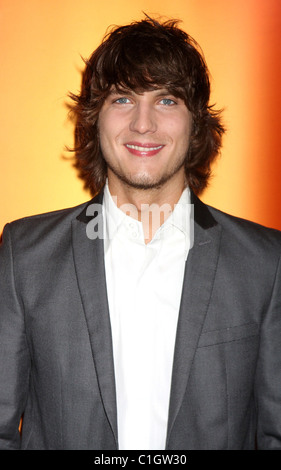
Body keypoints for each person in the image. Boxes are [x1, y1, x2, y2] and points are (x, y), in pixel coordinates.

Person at [0, 15, 281, 451]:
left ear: (197, 124)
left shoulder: (265, 262)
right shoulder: (24, 256)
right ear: (95, 118)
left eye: (167, 101)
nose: (143, 124)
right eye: (123, 99)